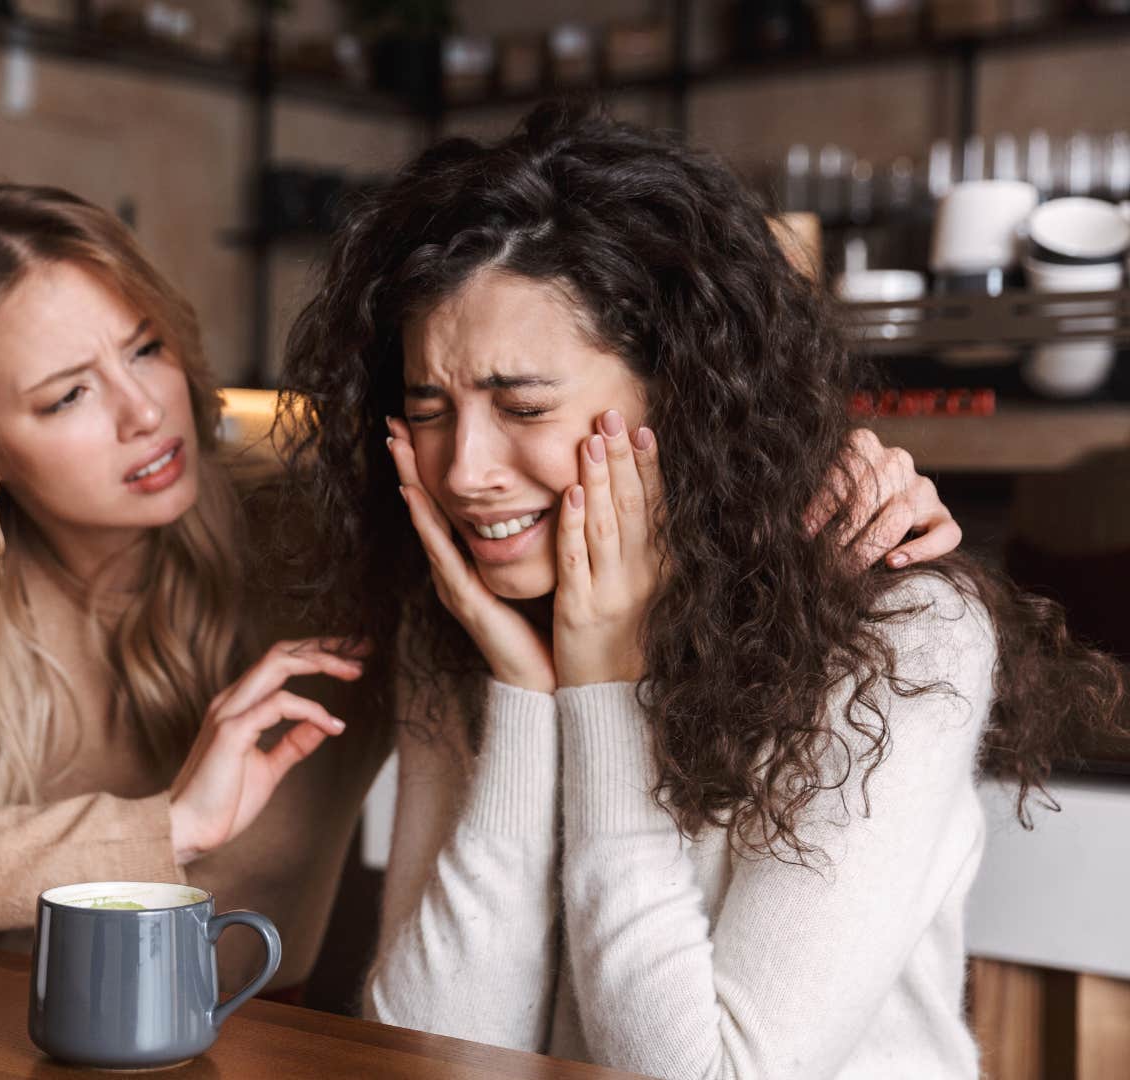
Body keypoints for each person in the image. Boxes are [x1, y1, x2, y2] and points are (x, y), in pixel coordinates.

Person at [0, 179, 963, 999]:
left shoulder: (327, 527)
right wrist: (165, 830)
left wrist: (822, 470)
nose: (149, 409)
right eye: (67, 396)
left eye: (145, 345)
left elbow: (568, 481)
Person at [277, 104, 1124, 1076]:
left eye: (523, 406)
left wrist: (601, 693)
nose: (466, 469)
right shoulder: (464, 623)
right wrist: (526, 696)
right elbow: (437, 1052)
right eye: (429, 409)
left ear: (680, 398)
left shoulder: (896, 634)